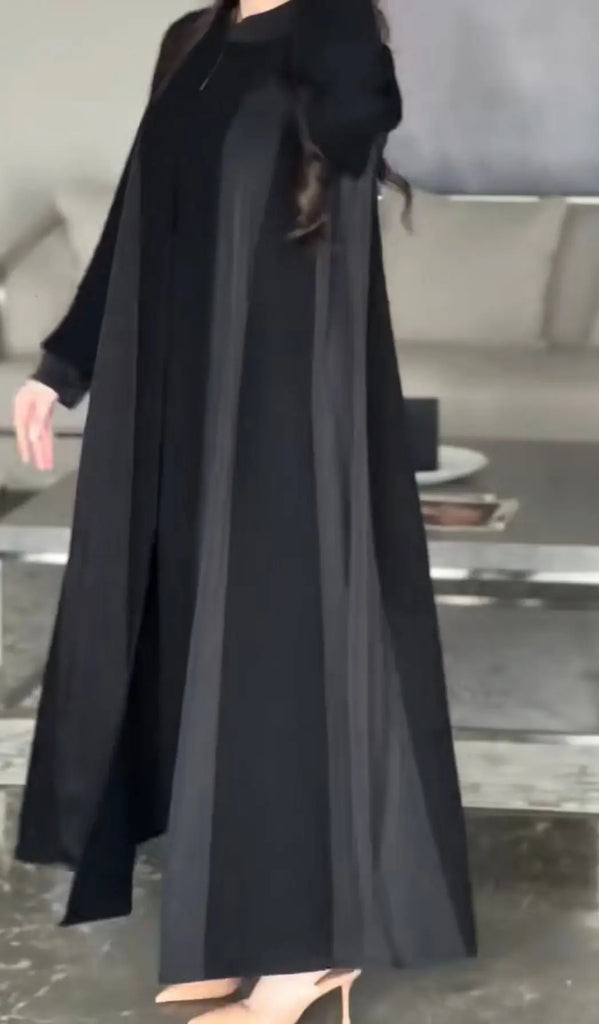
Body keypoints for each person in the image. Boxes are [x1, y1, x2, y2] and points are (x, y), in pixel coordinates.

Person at [12, 1, 476, 1022]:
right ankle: (235, 931)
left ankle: (305, 952)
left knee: (277, 662)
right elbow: (138, 220)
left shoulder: (335, 36)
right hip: (183, 409)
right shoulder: (192, 41)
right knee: (195, 653)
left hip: (288, 414)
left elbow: (358, 125)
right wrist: (61, 367)